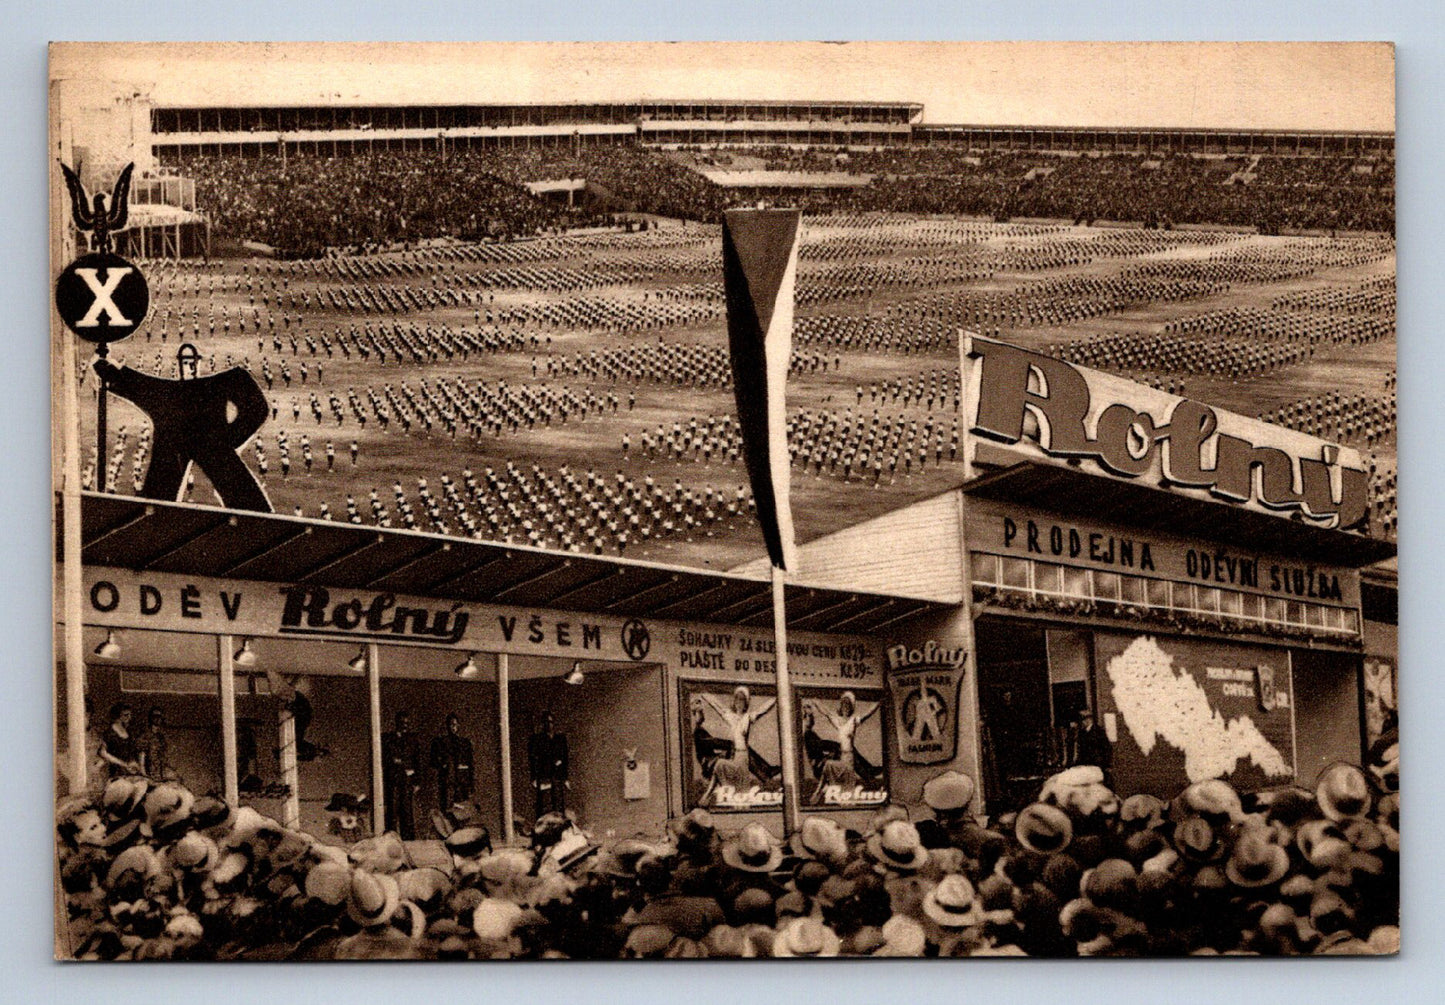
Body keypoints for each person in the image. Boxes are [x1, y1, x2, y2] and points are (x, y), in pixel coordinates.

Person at [699, 686, 777, 792]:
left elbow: (763, 709)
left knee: (742, 785)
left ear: (745, 703)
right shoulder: (730, 716)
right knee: (721, 766)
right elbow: (716, 705)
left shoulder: (748, 717)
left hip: (744, 755)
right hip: (734, 754)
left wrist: (776, 698)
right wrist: (704, 694)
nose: (739, 703)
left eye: (742, 700)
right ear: (734, 702)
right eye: (737, 699)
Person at [381, 711, 421, 839]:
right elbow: (386, 759)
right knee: (392, 811)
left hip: (407, 780)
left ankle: (408, 840)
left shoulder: (412, 740)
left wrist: (417, 782)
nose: (404, 726)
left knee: (407, 811)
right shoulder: (388, 739)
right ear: (396, 723)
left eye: (407, 723)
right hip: (393, 779)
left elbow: (416, 761)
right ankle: (391, 839)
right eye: (402, 723)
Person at [429, 713, 475, 813]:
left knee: (462, 809)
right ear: (447, 726)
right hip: (447, 782)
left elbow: (470, 764)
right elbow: (433, 761)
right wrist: (443, 765)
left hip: (462, 782)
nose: (453, 728)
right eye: (450, 725)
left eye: (455, 725)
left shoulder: (465, 743)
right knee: (447, 809)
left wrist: (471, 784)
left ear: (458, 726)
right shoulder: (440, 743)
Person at [528, 712, 569, 819]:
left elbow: (565, 758)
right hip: (544, 775)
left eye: (550, 722)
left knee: (558, 803)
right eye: (546, 722)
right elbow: (534, 759)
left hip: (557, 775)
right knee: (543, 803)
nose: (548, 725)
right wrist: (534, 777)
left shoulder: (560, 739)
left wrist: (565, 777)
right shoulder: (538, 740)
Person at [98, 702, 142, 778]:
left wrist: (133, 763)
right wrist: (123, 764)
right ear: (117, 716)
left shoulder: (129, 732)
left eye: (130, 715)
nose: (129, 718)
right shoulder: (110, 733)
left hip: (130, 772)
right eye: (126, 715)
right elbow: (103, 752)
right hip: (116, 773)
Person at [1073, 709, 1113, 781]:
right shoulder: (1082, 733)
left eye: (1082, 721)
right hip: (1086, 766)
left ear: (1088, 720)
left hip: (1097, 765)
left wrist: (1107, 765)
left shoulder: (1098, 731)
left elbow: (1107, 748)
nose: (1081, 723)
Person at [139, 706, 171, 782]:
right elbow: (142, 755)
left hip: (161, 772)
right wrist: (143, 774)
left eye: (160, 716)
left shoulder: (161, 737)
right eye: (155, 716)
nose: (158, 719)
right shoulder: (145, 736)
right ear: (150, 718)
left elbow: (164, 755)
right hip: (149, 773)